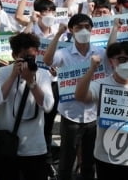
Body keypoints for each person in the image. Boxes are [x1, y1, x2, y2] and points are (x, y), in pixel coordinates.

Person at [74, 41, 128, 180]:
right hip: (105, 157)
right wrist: (91, 69)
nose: (127, 63)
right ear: (111, 62)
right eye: (121, 59)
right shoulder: (101, 84)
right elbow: (80, 96)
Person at [43, 14, 107, 180]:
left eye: (87, 27)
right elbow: (48, 60)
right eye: (79, 27)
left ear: (92, 29)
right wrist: (58, 34)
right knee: (67, 158)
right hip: (70, 114)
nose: (84, 31)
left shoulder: (100, 52)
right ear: (71, 30)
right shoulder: (64, 54)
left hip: (92, 115)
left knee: (88, 161)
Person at [0, 33, 54, 180]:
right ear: (14, 55)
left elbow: (48, 106)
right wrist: (13, 76)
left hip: (34, 146)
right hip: (8, 148)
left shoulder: (42, 74)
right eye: (25, 57)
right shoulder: (3, 73)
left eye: (32, 57)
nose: (28, 61)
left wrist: (31, 82)